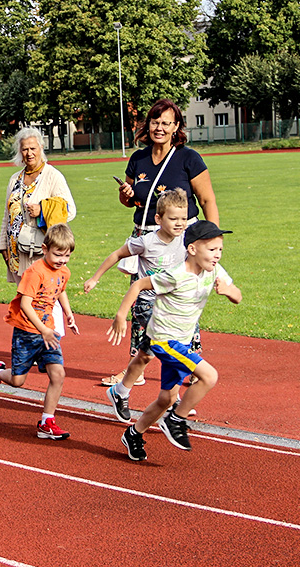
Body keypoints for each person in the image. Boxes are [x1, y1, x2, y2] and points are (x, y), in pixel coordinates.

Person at [102, 98, 220, 387]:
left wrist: (212, 238)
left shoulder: (188, 158)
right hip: (146, 237)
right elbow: (128, 201)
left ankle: (190, 365)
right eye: (155, 121)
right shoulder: (138, 159)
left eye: (166, 122)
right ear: (148, 124)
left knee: (182, 301)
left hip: (181, 240)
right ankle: (136, 368)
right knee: (142, 303)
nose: (159, 127)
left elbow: (206, 200)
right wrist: (126, 194)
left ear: (176, 127)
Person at [107, 221, 242, 461]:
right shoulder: (176, 276)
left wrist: (229, 291)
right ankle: (175, 419)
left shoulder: (215, 272)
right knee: (209, 376)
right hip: (163, 340)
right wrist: (120, 314)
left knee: (166, 398)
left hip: (182, 341)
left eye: (220, 249)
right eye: (212, 249)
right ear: (192, 249)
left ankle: (134, 434)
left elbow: (238, 296)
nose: (217, 255)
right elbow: (139, 284)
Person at [83, 191, 189, 423]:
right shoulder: (147, 241)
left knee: (146, 355)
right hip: (146, 303)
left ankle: (120, 392)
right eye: (173, 219)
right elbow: (117, 254)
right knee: (170, 346)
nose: (179, 224)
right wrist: (95, 278)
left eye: (183, 218)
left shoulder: (185, 239)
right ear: (159, 219)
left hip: (171, 305)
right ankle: (174, 399)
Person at [0, 223, 79, 440]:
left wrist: (68, 314)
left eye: (67, 255)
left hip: (48, 333)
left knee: (58, 374)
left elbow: (60, 290)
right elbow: (25, 304)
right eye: (58, 254)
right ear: (45, 249)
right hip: (27, 332)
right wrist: (42, 329)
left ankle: (46, 422)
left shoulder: (64, 271)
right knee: (17, 381)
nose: (62, 260)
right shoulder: (34, 272)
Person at [0, 127, 76, 336]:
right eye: (24, 149)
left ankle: (54, 341)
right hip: (18, 251)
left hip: (41, 250)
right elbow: (7, 213)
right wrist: (2, 246)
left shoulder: (52, 176)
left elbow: (70, 210)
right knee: (27, 297)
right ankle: (32, 341)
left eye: (33, 148)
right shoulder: (15, 179)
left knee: (48, 295)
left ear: (41, 147)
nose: (29, 153)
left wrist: (43, 209)